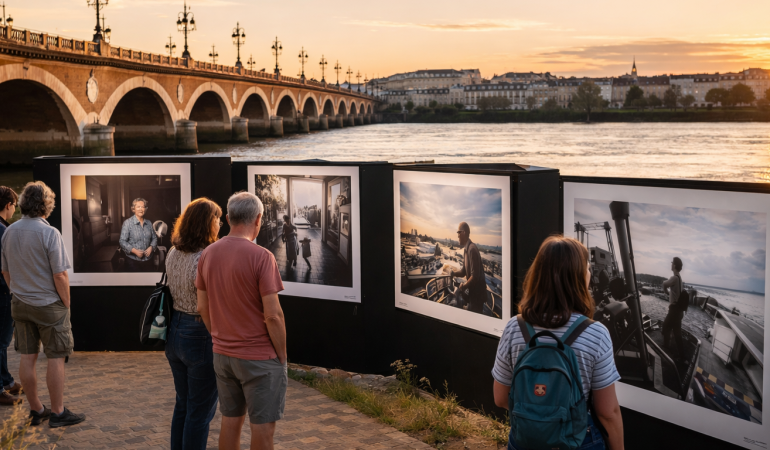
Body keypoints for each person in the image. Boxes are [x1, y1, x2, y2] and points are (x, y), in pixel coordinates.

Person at [492, 236, 624, 450]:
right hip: (578, 440)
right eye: (588, 269)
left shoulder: (514, 328)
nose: (590, 274)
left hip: (525, 440)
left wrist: (539, 417)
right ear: (578, 277)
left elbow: (500, 397)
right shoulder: (596, 333)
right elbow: (607, 412)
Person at [196, 192, 287, 450]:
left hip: (223, 355)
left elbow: (202, 306)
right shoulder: (262, 257)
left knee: (230, 422)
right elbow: (273, 315)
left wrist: (219, 336)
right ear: (258, 219)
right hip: (259, 358)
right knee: (263, 430)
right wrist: (281, 355)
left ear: (227, 218)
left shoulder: (208, 254)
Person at [0, 182, 85, 427]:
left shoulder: (9, 232)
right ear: (46, 206)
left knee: (27, 357)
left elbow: (5, 271)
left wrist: (16, 291)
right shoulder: (50, 233)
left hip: (20, 303)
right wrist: (66, 303)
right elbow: (60, 275)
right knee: (56, 357)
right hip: (48, 304)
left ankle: (37, 409)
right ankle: (58, 413)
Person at [165, 198, 222, 450]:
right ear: (206, 223)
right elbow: (207, 303)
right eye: (217, 218)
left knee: (183, 404)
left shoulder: (173, 251)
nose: (220, 223)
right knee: (200, 412)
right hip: (199, 333)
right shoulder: (207, 256)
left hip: (174, 331)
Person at [0, 187, 22, 406]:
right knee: (2, 340)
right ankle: (0, 388)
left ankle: (6, 381)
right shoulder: (3, 230)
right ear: (8, 205)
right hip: (3, 290)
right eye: (14, 205)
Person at [449, 222, 486, 314]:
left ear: (464, 233)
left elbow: (475, 276)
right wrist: (454, 273)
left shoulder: (472, 249)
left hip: (477, 296)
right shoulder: (466, 249)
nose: (457, 236)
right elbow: (464, 271)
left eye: (459, 232)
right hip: (473, 294)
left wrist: (464, 286)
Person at [119, 198, 157, 272]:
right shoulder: (127, 223)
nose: (141, 209)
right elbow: (122, 241)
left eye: (142, 207)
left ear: (145, 209)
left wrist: (151, 247)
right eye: (138, 207)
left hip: (148, 261)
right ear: (133, 209)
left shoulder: (149, 223)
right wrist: (134, 251)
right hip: (132, 262)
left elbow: (154, 238)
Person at [662, 257, 685, 360]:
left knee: (665, 327)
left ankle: (666, 349)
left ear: (674, 265)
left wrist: (666, 292)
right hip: (679, 311)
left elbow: (664, 284)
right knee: (677, 334)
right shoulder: (679, 278)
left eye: (672, 263)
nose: (671, 264)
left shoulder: (674, 278)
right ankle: (682, 356)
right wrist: (669, 293)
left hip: (674, 310)